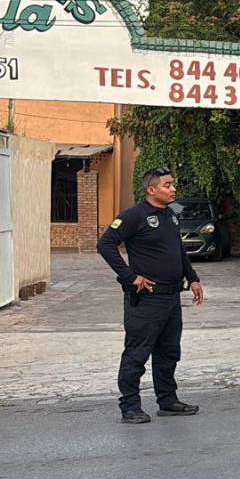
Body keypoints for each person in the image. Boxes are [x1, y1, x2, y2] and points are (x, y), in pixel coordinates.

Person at [97, 166, 204, 424]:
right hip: (146, 298)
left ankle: (167, 401)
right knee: (137, 353)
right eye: (167, 185)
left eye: (173, 184)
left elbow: (177, 249)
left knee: (168, 352)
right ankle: (130, 407)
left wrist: (193, 278)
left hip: (171, 297)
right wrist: (129, 276)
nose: (173, 189)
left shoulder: (171, 214)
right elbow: (105, 244)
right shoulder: (134, 215)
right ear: (151, 189)